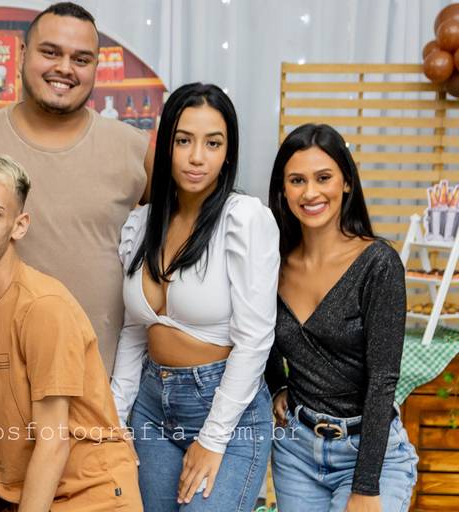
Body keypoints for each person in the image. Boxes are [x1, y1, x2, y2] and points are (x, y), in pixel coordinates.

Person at [0, 2, 153, 372]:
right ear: (23, 54)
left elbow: (179, 232)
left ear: (95, 66)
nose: (65, 68)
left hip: (100, 379)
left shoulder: (134, 149)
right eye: (51, 52)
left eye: (81, 59)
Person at [110, 83, 279, 511]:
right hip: (152, 407)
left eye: (213, 143)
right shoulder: (142, 224)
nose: (197, 157)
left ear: (228, 152)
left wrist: (213, 438)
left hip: (226, 411)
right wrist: (114, 419)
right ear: (166, 144)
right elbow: (134, 332)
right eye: (184, 140)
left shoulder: (244, 219)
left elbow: (255, 340)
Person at [0, 154, 142, 512]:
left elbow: (53, 444)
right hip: (32, 495)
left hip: (92, 496)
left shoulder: (42, 307)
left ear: (19, 226)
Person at [265, 123, 418, 512]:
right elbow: (255, 331)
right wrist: (278, 384)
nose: (310, 192)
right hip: (297, 452)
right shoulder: (271, 261)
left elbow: (383, 380)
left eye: (323, 178)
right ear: (283, 190)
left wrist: (365, 487)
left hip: (368, 454)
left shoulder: (378, 263)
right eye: (297, 180)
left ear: (346, 182)